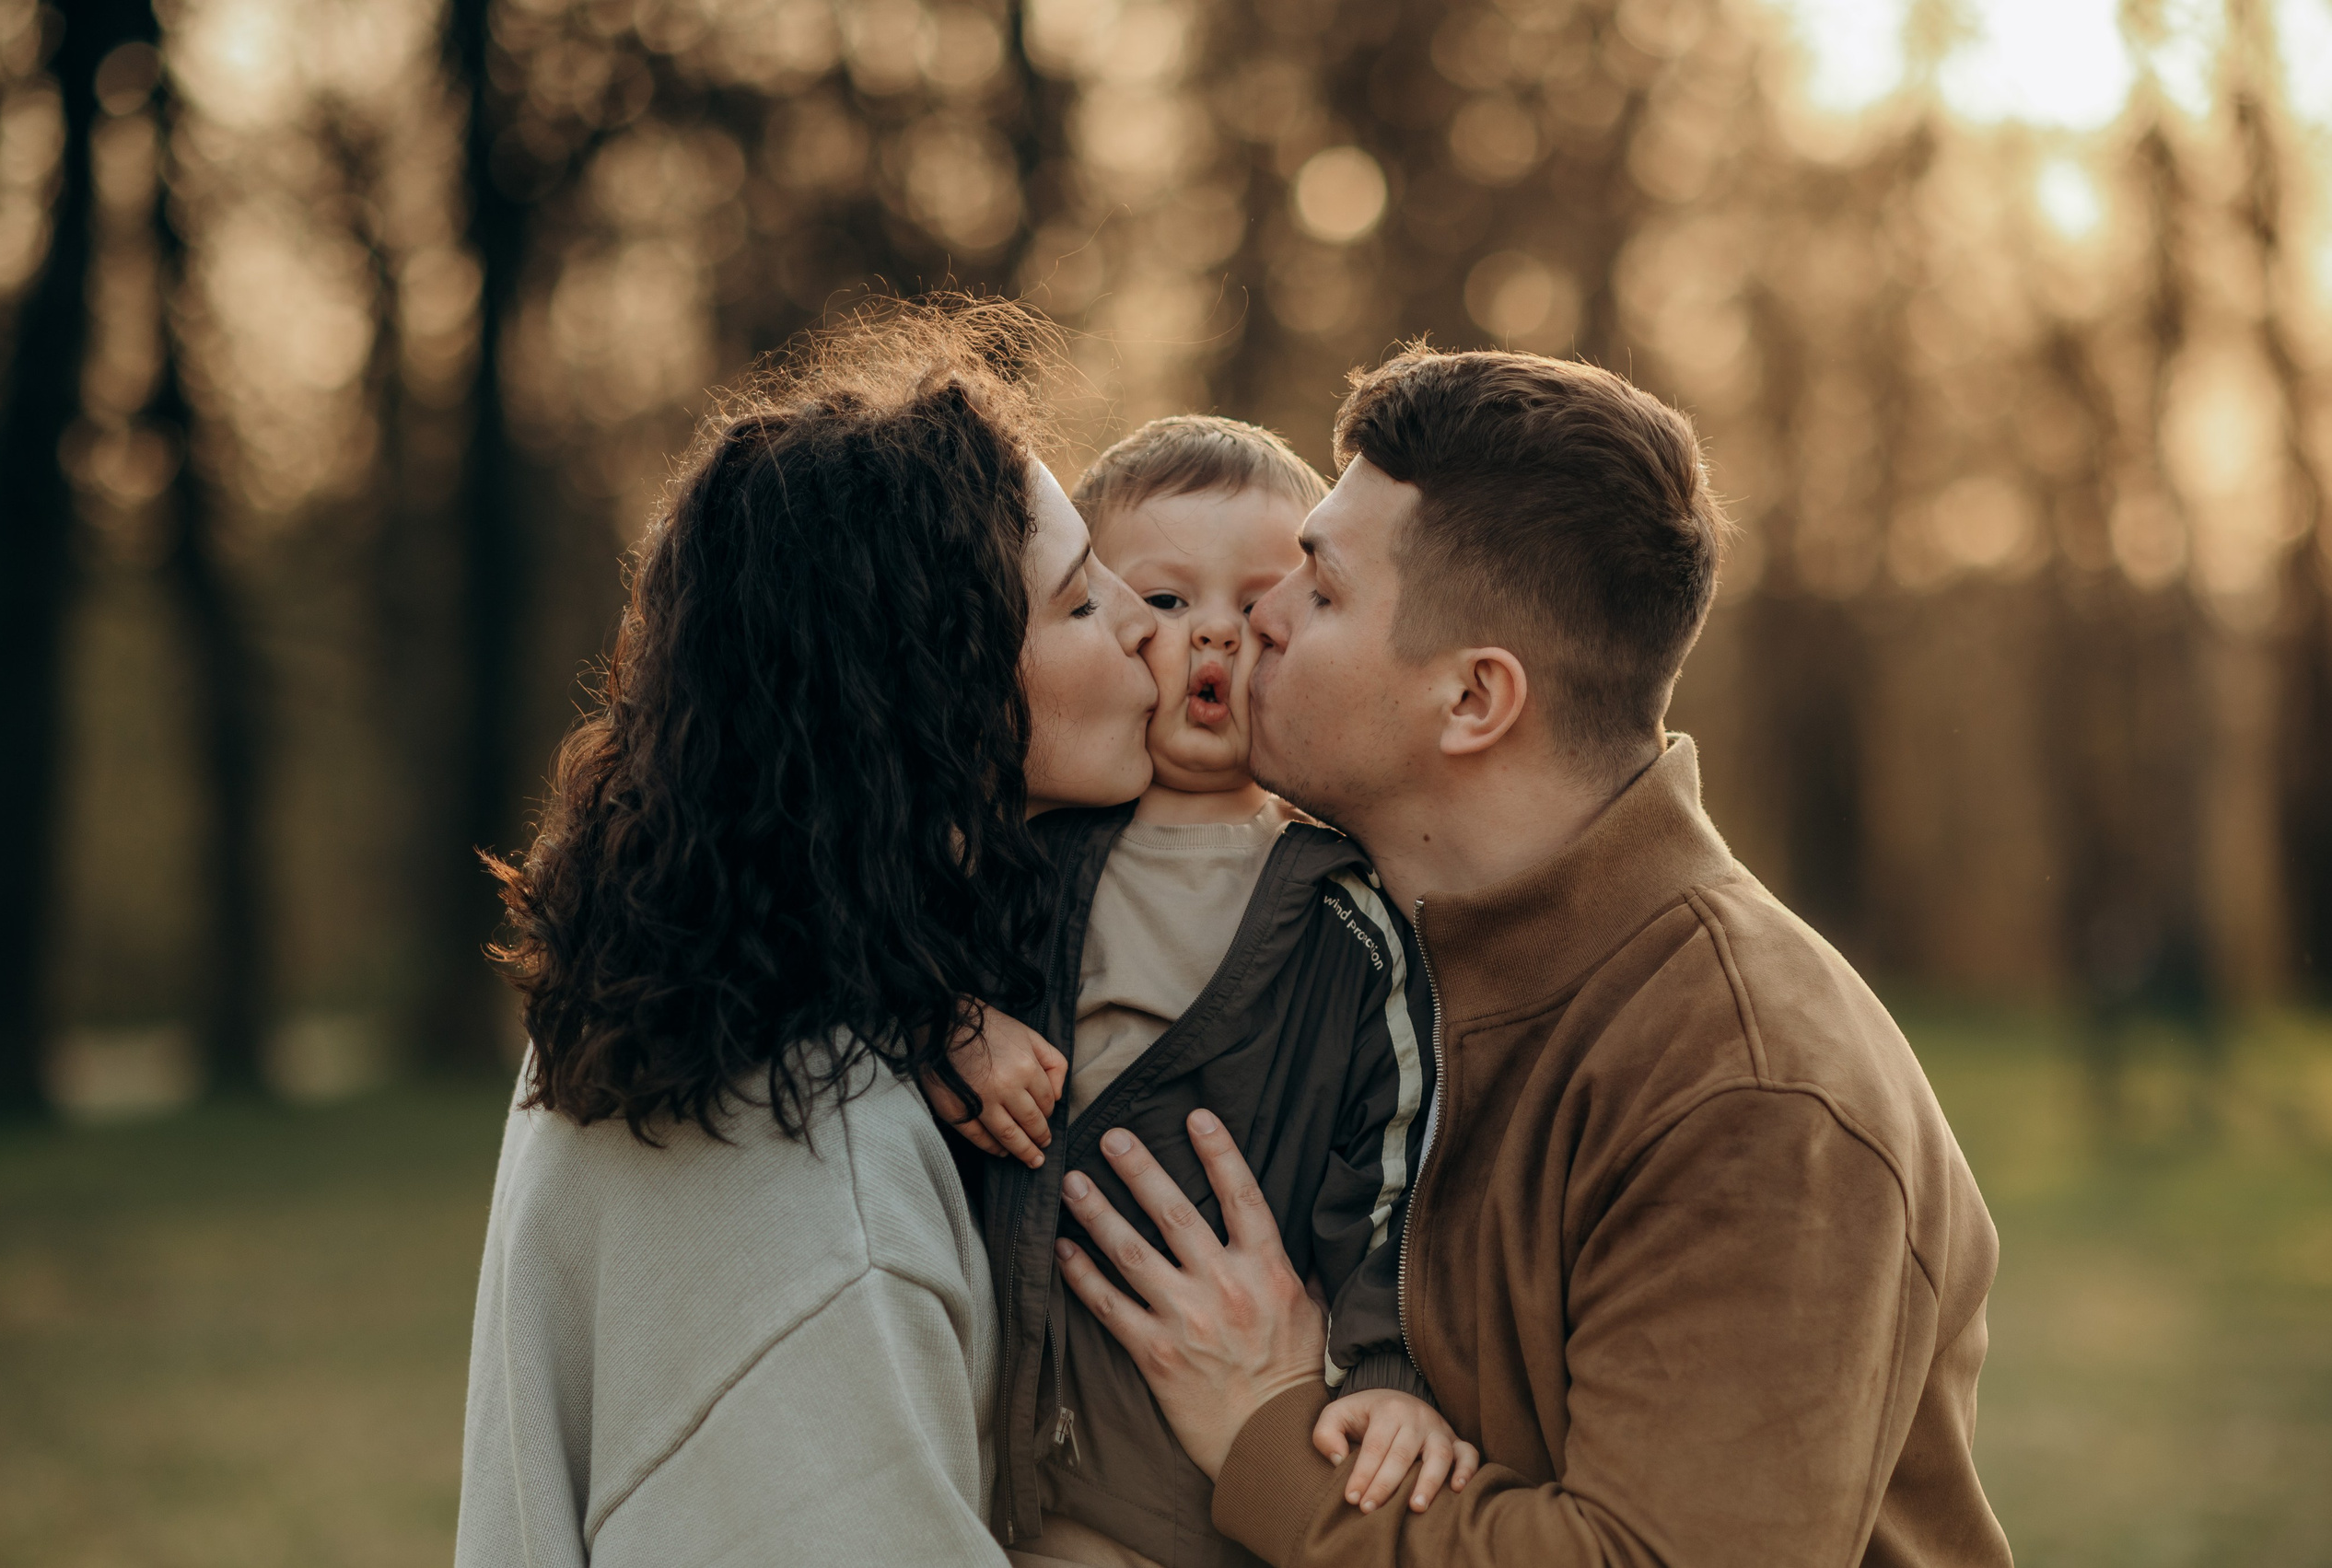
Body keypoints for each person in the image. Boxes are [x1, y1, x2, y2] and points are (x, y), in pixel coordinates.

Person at [1053, 348, 2014, 1567]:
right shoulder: (1374, 956)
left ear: (1473, 700)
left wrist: (1264, 1430)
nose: (1262, 619)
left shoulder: (1752, 1087)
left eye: (1322, 586)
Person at [451, 306, 1159, 1568]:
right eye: (1077, 601)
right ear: (935, 701)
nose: (1145, 617)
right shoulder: (823, 1206)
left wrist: (917, 1009)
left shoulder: (682, 996)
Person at [942, 417, 1475, 1568]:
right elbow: (879, 960)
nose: (1216, 633)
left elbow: (1389, 1163)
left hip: (1193, 1496)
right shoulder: (1029, 861)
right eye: (1168, 601)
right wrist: (945, 1019)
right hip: (1003, 1475)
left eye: (1257, 597)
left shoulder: (1344, 911)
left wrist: (1385, 1372)